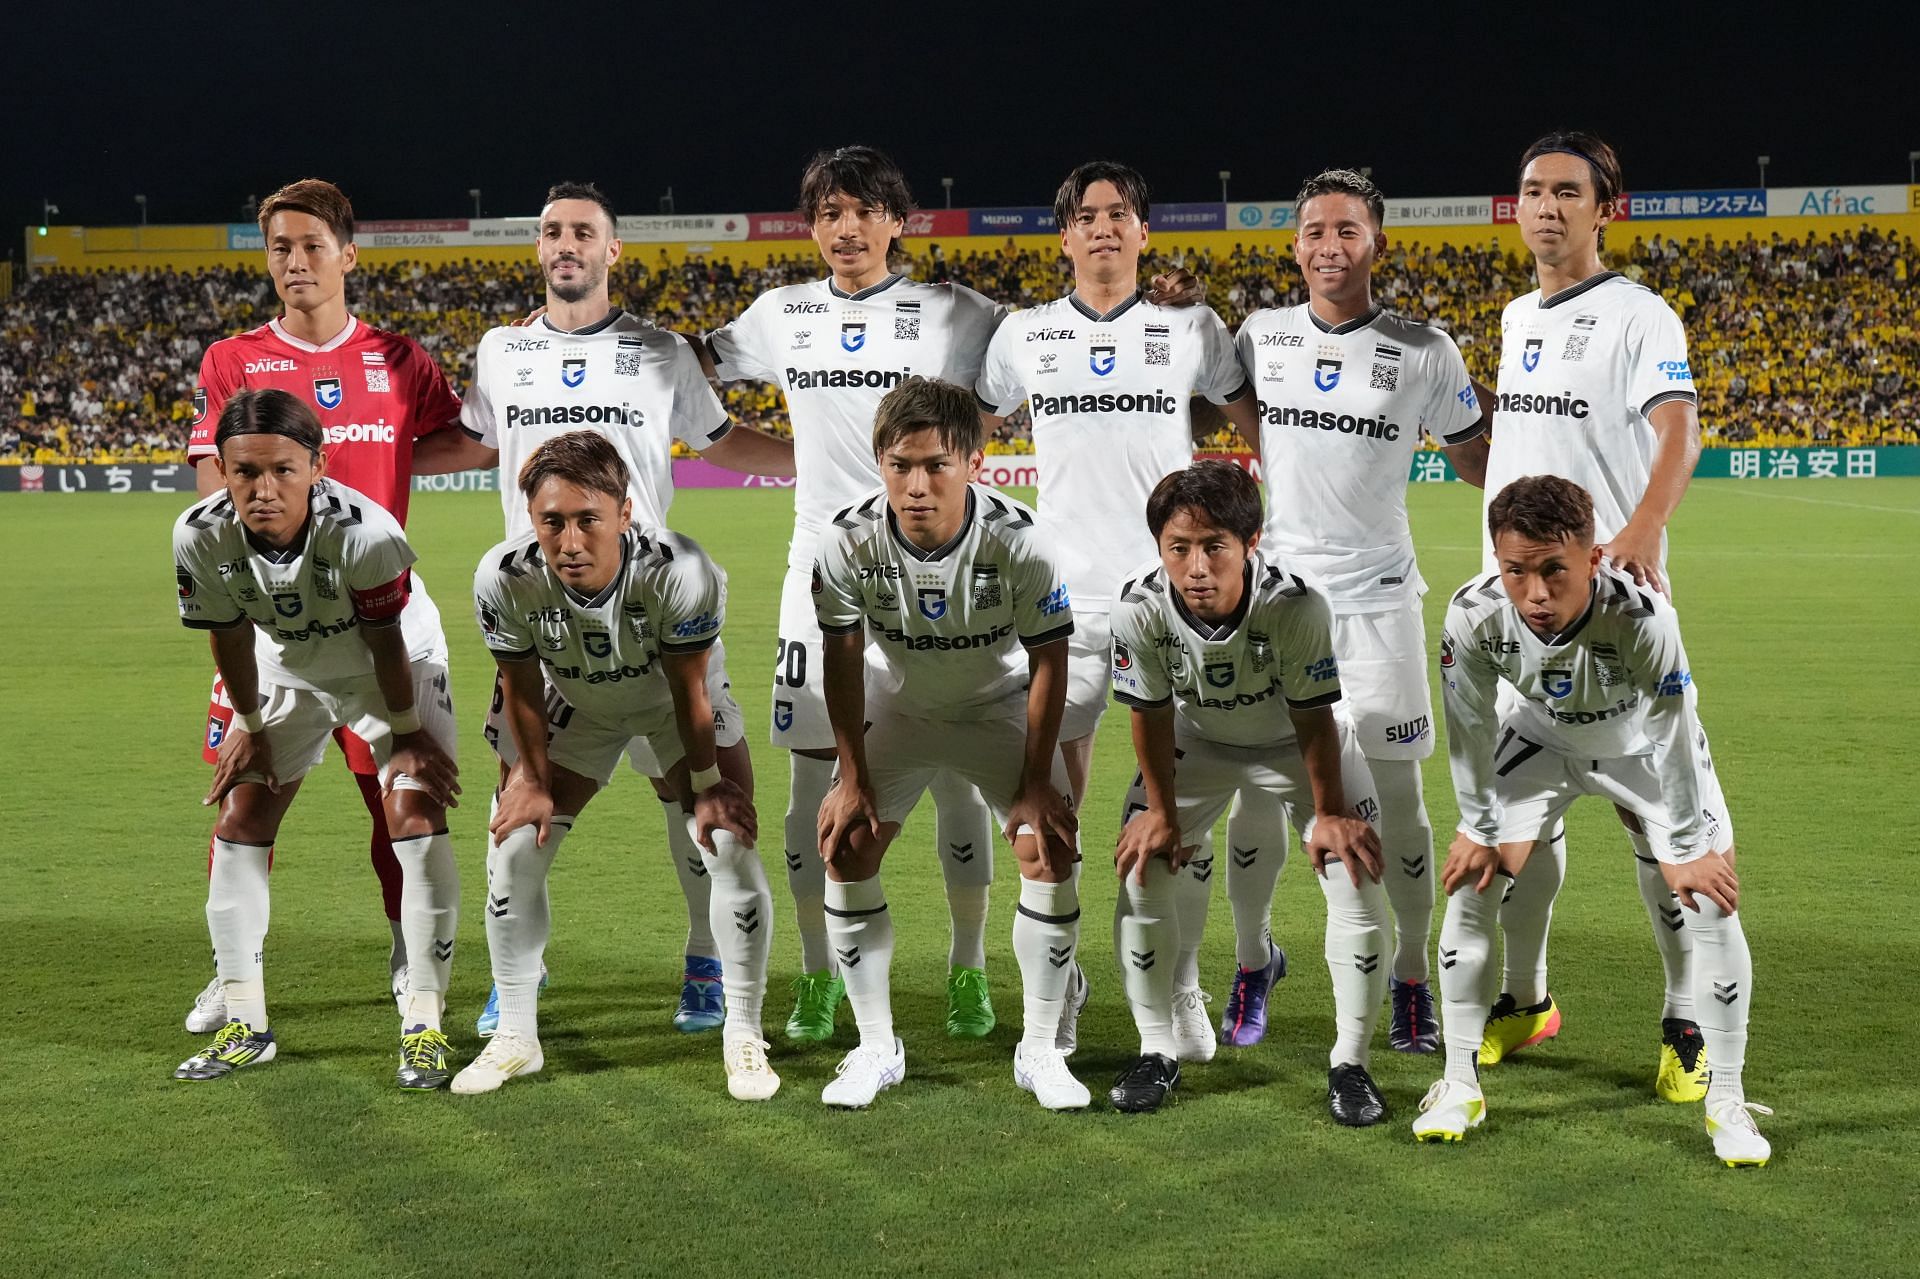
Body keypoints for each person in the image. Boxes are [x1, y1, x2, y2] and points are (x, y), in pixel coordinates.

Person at [441, 181, 795, 1038]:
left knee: (696, 809)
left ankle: (705, 965)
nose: (567, 244)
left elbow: (724, 441)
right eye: (553, 231)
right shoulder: (499, 351)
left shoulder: (662, 350)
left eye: (584, 233)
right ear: (538, 249)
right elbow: (471, 441)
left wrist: (821, 461)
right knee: (518, 803)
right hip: (544, 619)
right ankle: (517, 975)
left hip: (656, 613)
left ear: (612, 252)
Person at [700, 146, 1010, 1045]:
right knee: (807, 789)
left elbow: (1043, 354)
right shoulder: (780, 314)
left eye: (864, 211)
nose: (845, 228)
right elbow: (690, 364)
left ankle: (967, 967)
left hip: (934, 567)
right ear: (813, 225)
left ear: (897, 222)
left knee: (955, 779)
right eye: (830, 212)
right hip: (817, 573)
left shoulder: (956, 311)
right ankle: (815, 973)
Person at [976, 160, 1264, 1066]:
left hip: (1167, 605)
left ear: (1145, 233)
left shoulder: (1192, 327)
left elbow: (1259, 423)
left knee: (1173, 816)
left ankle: (1178, 982)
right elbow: (967, 436)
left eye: (1120, 215)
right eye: (1087, 217)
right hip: (1060, 609)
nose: (1104, 228)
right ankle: (1058, 997)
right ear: (1064, 238)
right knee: (1040, 816)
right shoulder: (1023, 336)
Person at [180, 178, 472, 1032]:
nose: (297, 261)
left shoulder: (399, 357)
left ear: (348, 254)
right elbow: (214, 476)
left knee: (391, 799)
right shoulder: (233, 358)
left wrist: (393, 475)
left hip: (377, 615)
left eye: (313, 245)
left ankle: (405, 951)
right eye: (281, 247)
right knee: (244, 790)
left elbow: (455, 437)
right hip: (276, 620)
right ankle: (230, 977)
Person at [1418, 475, 1766, 1167]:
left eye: (1554, 570)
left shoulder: (1641, 619)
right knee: (1471, 883)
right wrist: (1480, 825)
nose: (1536, 593)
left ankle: (1725, 1098)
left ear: (1593, 558)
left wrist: (1692, 847)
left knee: (1708, 900)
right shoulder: (1472, 615)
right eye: (1516, 570)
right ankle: (1457, 1081)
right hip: (1540, 742)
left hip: (1641, 749)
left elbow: (1672, 732)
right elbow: (1469, 727)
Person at [1234, 168, 1492, 1054]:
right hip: (1279, 606)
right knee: (1261, 798)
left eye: (1346, 230)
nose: (1328, 246)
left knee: (1396, 798)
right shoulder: (1260, 336)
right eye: (1313, 231)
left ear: (1376, 240)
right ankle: (1253, 956)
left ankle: (1411, 972)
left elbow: (1473, 459)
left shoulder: (1427, 350)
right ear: (1295, 244)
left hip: (1380, 605)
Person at [1478, 132, 1708, 1101]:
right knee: (1518, 827)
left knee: (1659, 832)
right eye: (1533, 190)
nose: (1547, 207)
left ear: (1604, 207)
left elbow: (1678, 426)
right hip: (1520, 617)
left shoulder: (1638, 314)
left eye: (1568, 192)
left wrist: (1646, 524)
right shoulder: (1515, 315)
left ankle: (1687, 1018)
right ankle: (1527, 999)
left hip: (1613, 613)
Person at [455, 432, 778, 1099]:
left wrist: (710, 787)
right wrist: (533, 780)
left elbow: (690, 695)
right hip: (578, 701)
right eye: (552, 521)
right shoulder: (503, 576)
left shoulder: (679, 570)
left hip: (670, 702)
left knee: (728, 845)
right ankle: (516, 1034)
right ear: (531, 519)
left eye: (587, 520)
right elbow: (518, 687)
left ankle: (743, 1033)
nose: (569, 540)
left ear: (625, 513)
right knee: (514, 846)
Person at [171, 389, 462, 1088]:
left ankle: (423, 1024)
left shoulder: (366, 532)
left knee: (414, 816)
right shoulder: (199, 533)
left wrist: (406, 734)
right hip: (286, 666)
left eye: (282, 471)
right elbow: (229, 631)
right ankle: (247, 1022)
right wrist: (248, 724)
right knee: (241, 815)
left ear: (317, 466)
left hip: (389, 666)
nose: (262, 490)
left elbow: (385, 639)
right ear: (225, 469)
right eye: (244, 473)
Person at [811, 377, 1083, 1109]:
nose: (917, 485)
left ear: (975, 462)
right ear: (880, 462)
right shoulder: (846, 539)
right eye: (901, 465)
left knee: (1046, 843)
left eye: (937, 465)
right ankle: (876, 1047)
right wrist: (851, 775)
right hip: (900, 708)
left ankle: (1041, 1047)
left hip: (994, 709)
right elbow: (842, 659)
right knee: (846, 844)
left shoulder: (1020, 541)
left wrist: (1033, 779)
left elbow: (1050, 660)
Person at [1108, 462, 1389, 1120]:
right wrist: (1163, 812)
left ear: (1250, 542)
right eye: (1179, 548)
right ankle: (1156, 1049)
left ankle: (1352, 1063)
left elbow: (1314, 716)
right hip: (1198, 739)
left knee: (1357, 873)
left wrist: (1327, 814)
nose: (1197, 567)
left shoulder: (1296, 604)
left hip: (1297, 741)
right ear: (1160, 548)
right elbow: (1147, 714)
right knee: (1140, 867)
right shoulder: (1138, 606)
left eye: (1215, 547)